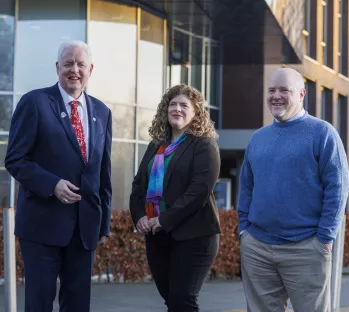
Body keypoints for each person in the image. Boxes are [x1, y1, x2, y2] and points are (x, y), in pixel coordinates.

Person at [5, 40, 112, 312]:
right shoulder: (35, 102)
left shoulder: (102, 112)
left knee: (77, 305)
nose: (74, 70)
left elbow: (103, 172)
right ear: (57, 67)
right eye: (68, 63)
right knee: (39, 304)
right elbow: (16, 160)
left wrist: (104, 223)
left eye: (81, 64)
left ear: (91, 70)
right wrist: (52, 184)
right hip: (42, 225)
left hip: (84, 228)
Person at [238, 67, 349, 312]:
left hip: (307, 247)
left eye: (284, 90)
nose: (276, 96)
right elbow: (246, 186)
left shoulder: (323, 133)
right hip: (258, 247)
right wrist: (244, 230)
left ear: (301, 94)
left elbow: (338, 187)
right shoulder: (258, 138)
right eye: (272, 90)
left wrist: (324, 238)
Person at [129, 84, 221, 312]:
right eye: (173, 104)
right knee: (171, 299)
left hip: (195, 236)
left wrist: (164, 219)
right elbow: (138, 186)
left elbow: (198, 192)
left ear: (196, 112)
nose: (177, 109)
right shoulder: (156, 146)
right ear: (165, 110)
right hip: (157, 235)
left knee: (182, 299)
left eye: (184, 105)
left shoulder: (204, 145)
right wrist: (140, 216)